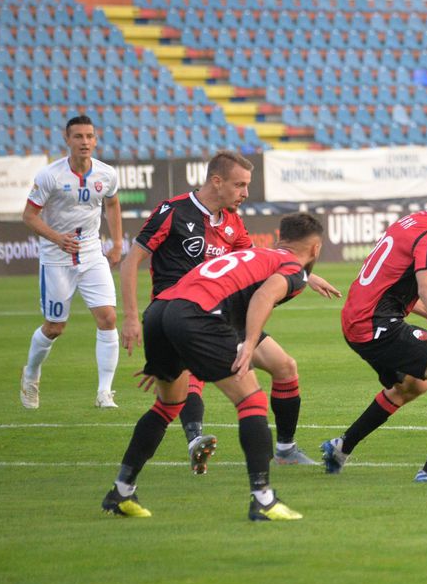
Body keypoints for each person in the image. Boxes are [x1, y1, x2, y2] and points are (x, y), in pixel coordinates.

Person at [120, 151, 341, 473]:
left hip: (222, 311)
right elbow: (130, 261)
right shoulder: (173, 212)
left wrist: (306, 272)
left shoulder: (232, 222)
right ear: (216, 181)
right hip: (179, 312)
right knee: (192, 381)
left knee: (284, 366)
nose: (245, 193)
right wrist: (129, 317)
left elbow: (255, 259)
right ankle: (199, 442)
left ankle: (285, 448)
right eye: (240, 185)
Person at [101, 213, 325, 521]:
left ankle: (121, 491)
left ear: (280, 239)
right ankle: (263, 499)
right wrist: (249, 342)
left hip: (161, 311)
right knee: (252, 401)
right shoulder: (292, 268)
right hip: (196, 316)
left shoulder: (256, 253)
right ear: (315, 250)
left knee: (168, 404)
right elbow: (263, 296)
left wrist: (168, 345)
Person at [321, 177, 427, 482]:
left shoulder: (411, 222)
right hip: (376, 326)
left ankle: (340, 447)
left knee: (413, 386)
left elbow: (390, 284)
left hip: (359, 322)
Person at [20, 114, 123, 410]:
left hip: (91, 253)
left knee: (108, 318)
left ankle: (105, 392)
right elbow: (28, 216)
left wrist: (116, 243)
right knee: (54, 327)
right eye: (78, 137)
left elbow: (113, 204)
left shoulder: (106, 175)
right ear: (67, 140)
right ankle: (31, 373)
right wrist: (56, 238)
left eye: (89, 136)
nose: (85, 142)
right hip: (56, 259)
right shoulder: (49, 176)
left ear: (95, 139)